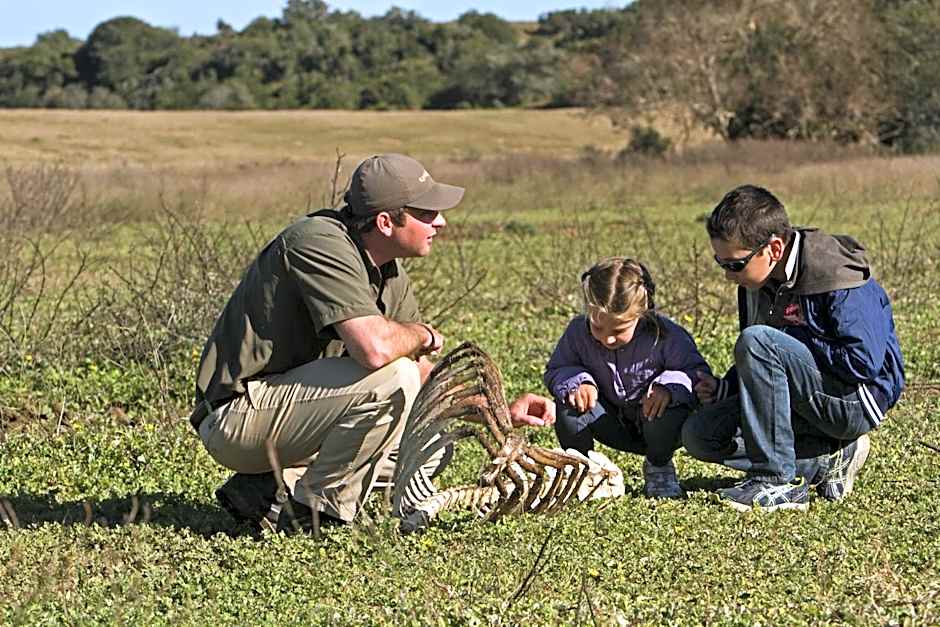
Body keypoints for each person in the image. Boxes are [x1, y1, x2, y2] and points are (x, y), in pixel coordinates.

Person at [189, 153, 556, 532]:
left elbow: (420, 375)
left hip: (297, 413)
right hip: (236, 417)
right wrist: (423, 334)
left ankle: (272, 491)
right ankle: (316, 516)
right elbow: (375, 350)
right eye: (427, 213)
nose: (441, 222)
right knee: (392, 376)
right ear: (385, 222)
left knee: (432, 443)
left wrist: (496, 411)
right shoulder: (317, 241)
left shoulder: (388, 270)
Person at [682, 185, 905, 512]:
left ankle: (776, 483)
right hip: (804, 396)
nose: (729, 276)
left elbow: (863, 363)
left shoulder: (835, 271)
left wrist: (796, 332)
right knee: (700, 435)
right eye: (721, 263)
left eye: (735, 265)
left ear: (773, 248)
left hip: (855, 400)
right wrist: (725, 387)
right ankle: (827, 462)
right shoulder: (757, 277)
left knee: (758, 340)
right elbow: (766, 355)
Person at [544, 257, 711, 499]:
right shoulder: (577, 333)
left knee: (668, 407)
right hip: (610, 422)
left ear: (641, 314)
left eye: (619, 330)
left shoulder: (667, 336)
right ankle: (582, 471)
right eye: (598, 327)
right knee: (568, 405)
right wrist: (578, 381)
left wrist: (669, 387)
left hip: (659, 425)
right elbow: (557, 368)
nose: (607, 339)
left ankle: (659, 466)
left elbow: (695, 374)